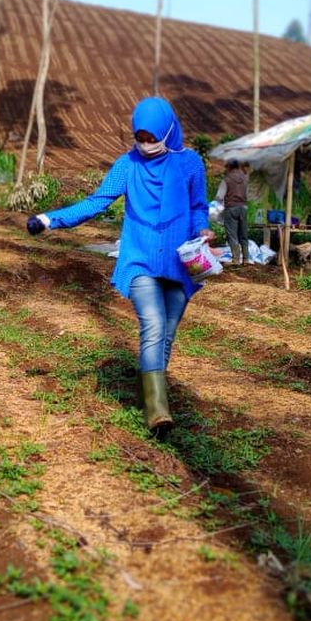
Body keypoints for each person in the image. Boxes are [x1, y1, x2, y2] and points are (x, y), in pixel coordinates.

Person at [26, 97, 212, 432]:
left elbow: (199, 205)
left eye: (151, 138)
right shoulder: (127, 166)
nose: (145, 145)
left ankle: (150, 395)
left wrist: (202, 229)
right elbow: (96, 202)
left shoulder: (190, 164)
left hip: (180, 261)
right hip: (140, 258)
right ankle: (157, 411)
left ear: (169, 131)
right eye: (139, 138)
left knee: (167, 333)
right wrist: (49, 219)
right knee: (153, 325)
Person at [215, 159, 249, 265]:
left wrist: (217, 204)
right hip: (243, 208)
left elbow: (219, 196)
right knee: (243, 234)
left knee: (232, 235)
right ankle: (246, 259)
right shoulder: (245, 178)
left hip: (231, 208)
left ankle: (236, 260)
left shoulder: (227, 179)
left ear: (229, 167)